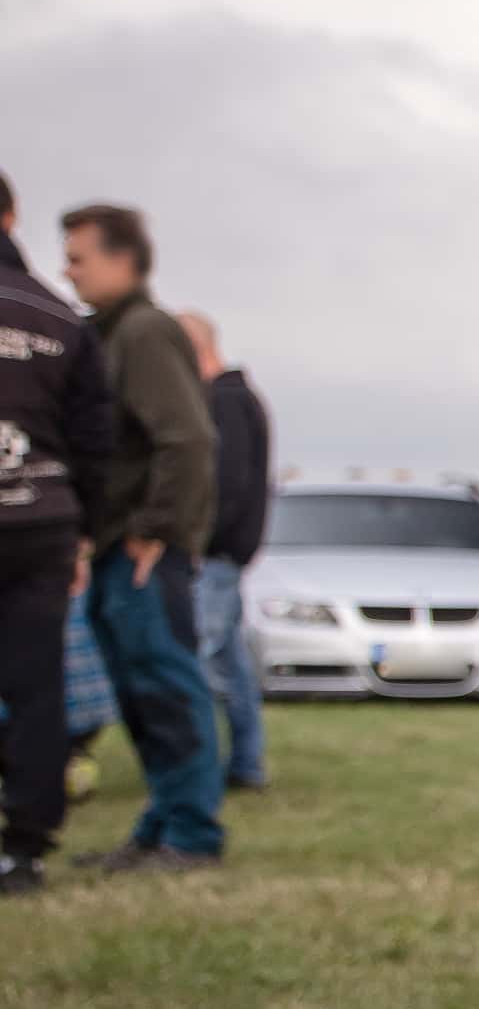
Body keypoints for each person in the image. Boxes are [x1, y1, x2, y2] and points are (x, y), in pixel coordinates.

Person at [58, 203, 225, 872]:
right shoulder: (110, 334)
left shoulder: (146, 332)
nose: (69, 273)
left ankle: (191, 834)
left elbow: (187, 438)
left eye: (78, 259)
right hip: (114, 547)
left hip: (141, 553)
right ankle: (161, 827)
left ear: (122, 259)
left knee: (166, 687)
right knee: (138, 694)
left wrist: (155, 531)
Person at [0, 169, 117, 893]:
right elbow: (95, 443)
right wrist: (84, 538)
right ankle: (26, 846)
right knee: (39, 688)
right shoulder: (57, 317)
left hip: (38, 526)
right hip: (41, 524)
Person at [181, 309, 272, 791]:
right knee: (230, 663)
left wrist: (199, 540)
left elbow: (226, 484)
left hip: (215, 555)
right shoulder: (235, 398)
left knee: (195, 660)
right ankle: (245, 763)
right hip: (225, 555)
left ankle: (196, 772)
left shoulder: (227, 401)